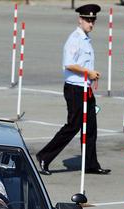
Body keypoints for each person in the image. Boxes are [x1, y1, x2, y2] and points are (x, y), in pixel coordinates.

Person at [36, 4, 111, 176]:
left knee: (91, 127)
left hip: (86, 88)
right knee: (73, 126)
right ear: (80, 20)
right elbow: (69, 64)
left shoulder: (85, 39)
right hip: (75, 89)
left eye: (93, 20)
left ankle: (91, 164)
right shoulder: (74, 39)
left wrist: (91, 75)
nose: (91, 24)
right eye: (87, 20)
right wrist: (89, 72)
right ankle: (44, 156)